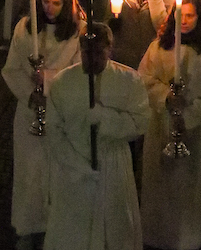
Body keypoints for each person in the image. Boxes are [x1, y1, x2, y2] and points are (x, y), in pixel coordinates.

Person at [139, 0, 201, 249]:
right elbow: (145, 78)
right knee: (164, 185)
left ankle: (188, 237)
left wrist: (188, 116)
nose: (184, 21)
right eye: (180, 15)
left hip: (198, 131)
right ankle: (160, 234)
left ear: (200, 18)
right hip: (163, 125)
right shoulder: (159, 47)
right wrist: (165, 98)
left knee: (192, 188)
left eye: (190, 16)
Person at [44, 22, 150, 250]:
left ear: (109, 49)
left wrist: (106, 118)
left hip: (113, 164)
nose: (91, 59)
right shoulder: (62, 83)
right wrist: (76, 165)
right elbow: (53, 129)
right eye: (86, 52)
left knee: (115, 230)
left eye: (98, 52)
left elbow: (140, 122)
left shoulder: (129, 80)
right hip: (74, 167)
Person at [2, 0, 85, 250]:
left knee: (58, 173)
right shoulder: (25, 29)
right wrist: (31, 94)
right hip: (30, 112)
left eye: (56, 3)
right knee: (29, 174)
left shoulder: (77, 32)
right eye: (45, 1)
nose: (49, 8)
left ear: (67, 4)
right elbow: (12, 68)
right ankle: (27, 227)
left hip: (61, 113)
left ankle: (57, 228)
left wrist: (47, 81)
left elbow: (79, 73)